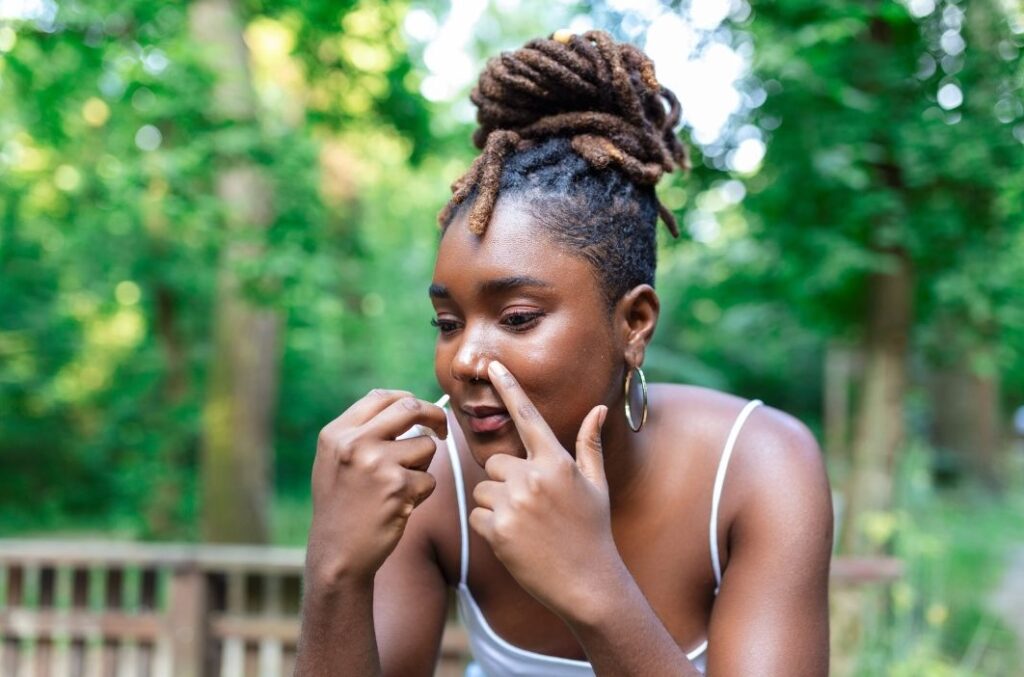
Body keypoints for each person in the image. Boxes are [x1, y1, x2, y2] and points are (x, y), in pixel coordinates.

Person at [295, 29, 833, 677]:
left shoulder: (761, 467)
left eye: (517, 317)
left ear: (634, 322)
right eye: (447, 320)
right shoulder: (425, 478)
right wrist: (333, 570)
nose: (465, 358)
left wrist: (594, 585)